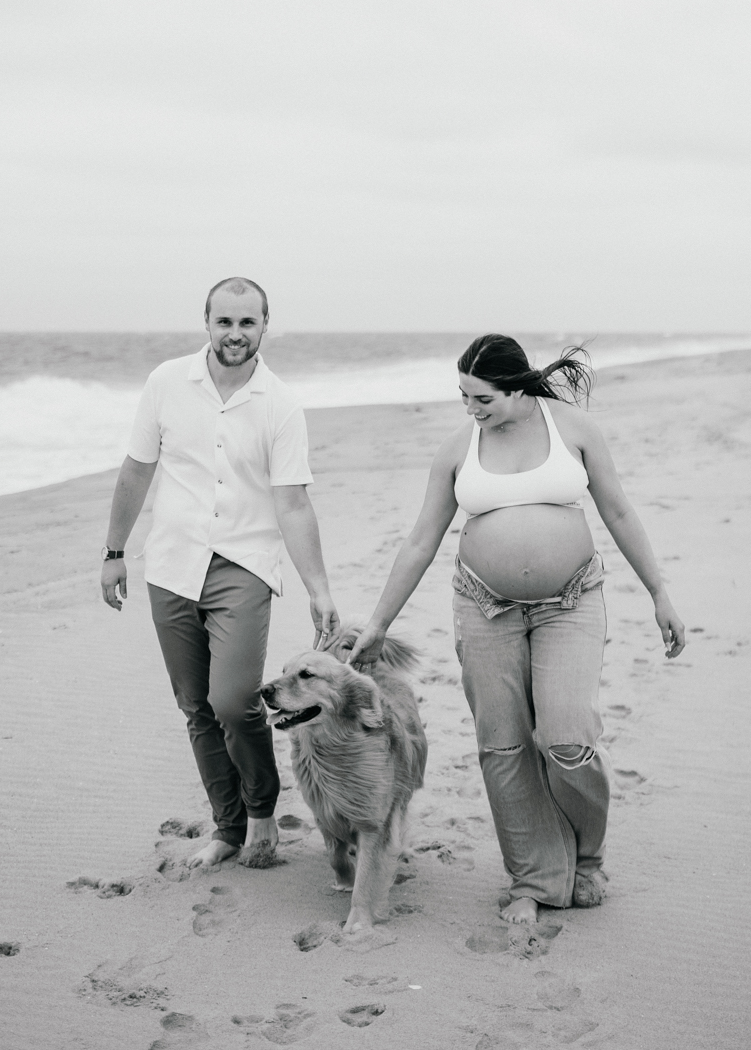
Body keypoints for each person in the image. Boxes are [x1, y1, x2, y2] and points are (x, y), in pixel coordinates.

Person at [348, 333, 684, 924]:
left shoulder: (574, 430)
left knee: (567, 741)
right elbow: (422, 539)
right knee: (502, 746)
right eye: (463, 398)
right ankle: (533, 880)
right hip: (484, 606)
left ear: (518, 387)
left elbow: (619, 510)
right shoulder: (459, 448)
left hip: (572, 600)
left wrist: (659, 591)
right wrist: (379, 623)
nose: (471, 411)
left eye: (482, 399)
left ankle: (586, 855)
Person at [100, 277, 338, 870]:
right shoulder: (165, 383)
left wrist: (318, 588)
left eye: (248, 323)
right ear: (206, 322)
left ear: (264, 326)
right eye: (225, 322)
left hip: (243, 565)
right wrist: (113, 552)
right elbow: (136, 470)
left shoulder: (280, 404)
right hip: (172, 563)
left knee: (233, 701)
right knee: (196, 707)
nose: (236, 334)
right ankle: (228, 828)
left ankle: (261, 808)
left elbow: (293, 503)